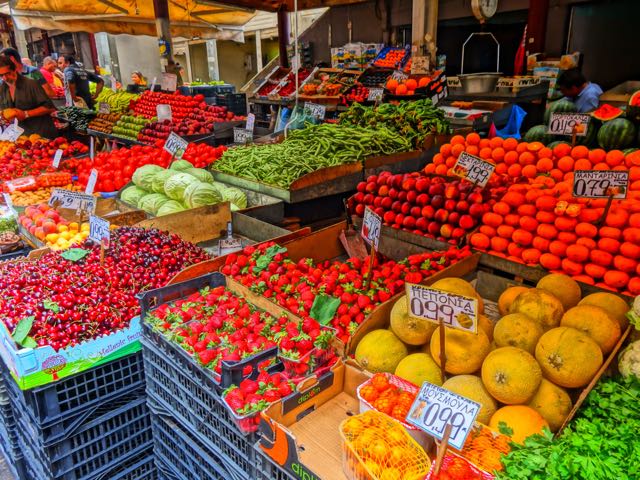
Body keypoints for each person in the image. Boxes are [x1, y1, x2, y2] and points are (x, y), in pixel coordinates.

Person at [0, 56, 57, 138]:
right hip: (20, 136)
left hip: (41, 134)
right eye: (1, 75)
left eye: (7, 73)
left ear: (15, 69)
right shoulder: (2, 89)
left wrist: (26, 114)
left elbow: (50, 107)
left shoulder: (31, 84)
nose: (4, 78)